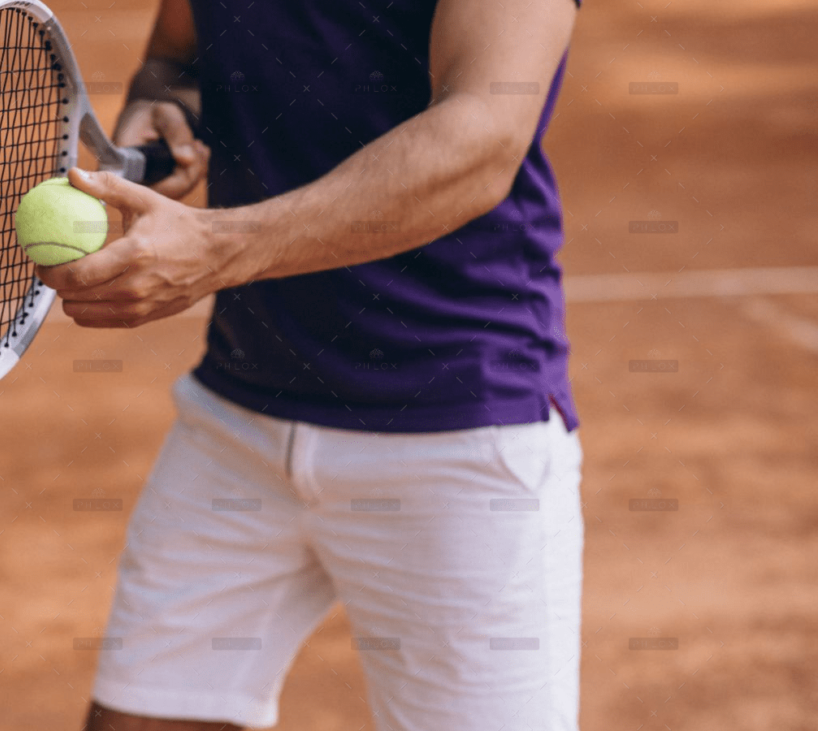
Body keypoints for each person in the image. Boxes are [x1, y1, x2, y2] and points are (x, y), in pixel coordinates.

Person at [37, 0, 583, 728]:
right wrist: (165, 105)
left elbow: (481, 136)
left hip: (456, 429)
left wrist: (219, 248)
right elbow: (179, 48)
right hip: (240, 413)